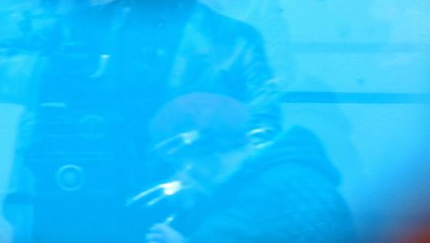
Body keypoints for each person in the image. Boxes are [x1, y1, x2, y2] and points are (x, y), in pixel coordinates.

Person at [0, 0, 281, 242]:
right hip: (87, 211)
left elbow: (263, 137)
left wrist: (208, 180)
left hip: (187, 217)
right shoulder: (81, 29)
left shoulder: (236, 43)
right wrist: (52, 71)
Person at [144, 92, 354, 243]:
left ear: (210, 156)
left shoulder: (262, 195)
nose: (181, 175)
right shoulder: (282, 173)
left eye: (183, 164)